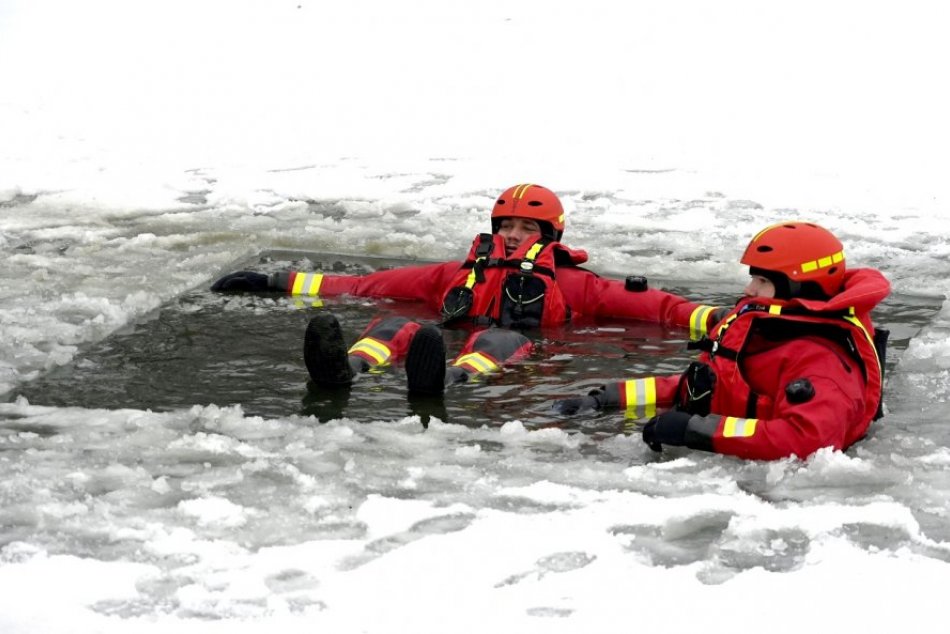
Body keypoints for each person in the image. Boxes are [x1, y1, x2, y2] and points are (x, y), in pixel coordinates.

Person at [211, 183, 721, 395]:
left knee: (494, 340)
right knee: (395, 323)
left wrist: (723, 322)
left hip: (520, 355)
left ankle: (447, 383)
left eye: (528, 227)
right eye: (508, 225)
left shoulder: (573, 284)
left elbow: (659, 308)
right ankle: (349, 369)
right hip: (447, 341)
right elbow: (367, 285)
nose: (515, 234)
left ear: (549, 236)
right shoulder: (457, 274)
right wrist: (277, 282)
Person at [553, 221, 891, 461]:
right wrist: (605, 397)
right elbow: (701, 385)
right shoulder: (763, 331)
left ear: (800, 289)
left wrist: (696, 430)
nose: (749, 290)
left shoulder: (821, 360)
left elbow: (808, 440)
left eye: (761, 281)